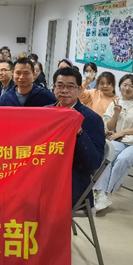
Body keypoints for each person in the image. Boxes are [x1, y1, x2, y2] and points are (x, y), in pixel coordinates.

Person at [94, 74, 133, 211]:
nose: (127, 88)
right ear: (119, 86)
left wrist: (122, 132)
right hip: (121, 141)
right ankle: (100, 193)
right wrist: (116, 114)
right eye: (125, 85)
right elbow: (109, 127)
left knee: (123, 159)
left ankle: (105, 194)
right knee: (106, 155)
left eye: (131, 86)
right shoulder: (114, 103)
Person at [47, 67, 105, 207]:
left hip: (73, 179)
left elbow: (95, 162)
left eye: (70, 86)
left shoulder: (92, 119)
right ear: (54, 88)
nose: (64, 90)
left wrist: (79, 132)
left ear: (79, 90)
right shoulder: (45, 113)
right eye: (60, 86)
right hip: (45, 172)